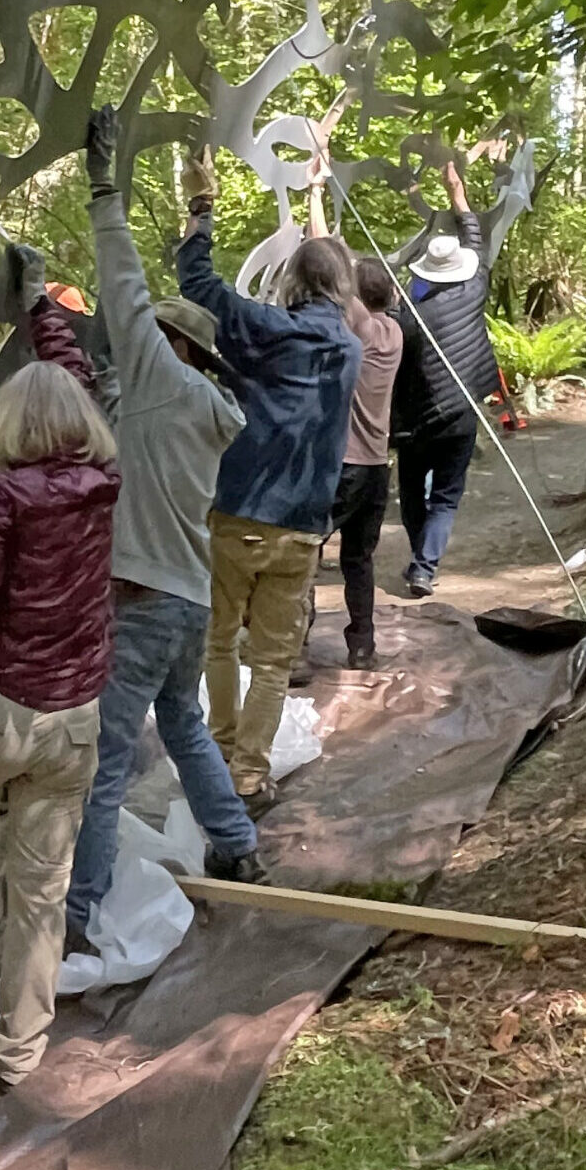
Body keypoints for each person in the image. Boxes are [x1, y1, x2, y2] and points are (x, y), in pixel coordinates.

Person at [42, 108, 261, 950]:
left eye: (152, 336)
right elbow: (108, 407)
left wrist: (106, 189)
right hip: (188, 602)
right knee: (186, 725)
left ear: (172, 346)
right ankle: (238, 848)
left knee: (100, 766)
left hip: (140, 605)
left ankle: (76, 915)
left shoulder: (165, 382)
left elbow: (124, 286)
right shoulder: (199, 406)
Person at [0, 357, 119, 1093]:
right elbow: (79, 379)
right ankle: (16, 1054)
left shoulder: (1, 496)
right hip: (74, 714)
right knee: (44, 891)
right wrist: (44, 309)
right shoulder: (105, 485)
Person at [177, 153, 362, 808]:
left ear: (291, 282)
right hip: (304, 528)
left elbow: (198, 284)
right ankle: (248, 776)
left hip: (239, 516)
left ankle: (220, 752)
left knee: (220, 641)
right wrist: (317, 196)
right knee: (273, 663)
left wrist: (203, 210)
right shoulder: (350, 346)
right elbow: (329, 281)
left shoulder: (264, 331)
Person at [392, 162, 497, 596]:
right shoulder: (475, 290)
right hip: (461, 414)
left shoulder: (409, 317)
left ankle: (420, 561)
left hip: (417, 421)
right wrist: (458, 197)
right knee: (447, 496)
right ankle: (424, 567)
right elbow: (478, 244)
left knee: (413, 493)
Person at [329, 254, 405, 666]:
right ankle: (362, 646)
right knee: (359, 559)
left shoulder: (363, 330)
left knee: (306, 550)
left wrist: (316, 196)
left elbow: (333, 265)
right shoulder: (394, 332)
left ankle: (296, 649)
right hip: (377, 467)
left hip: (346, 465)